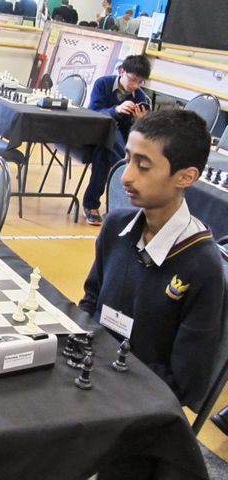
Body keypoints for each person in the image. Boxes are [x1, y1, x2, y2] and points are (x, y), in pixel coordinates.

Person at [79, 110, 225, 408]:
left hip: (140, 404)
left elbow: (186, 383)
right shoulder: (116, 225)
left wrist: (111, 370)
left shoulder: (202, 266)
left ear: (186, 177)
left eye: (143, 166)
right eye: (129, 158)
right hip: (91, 376)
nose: (127, 176)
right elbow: (91, 302)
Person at [82, 54, 151, 226]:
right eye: (133, 79)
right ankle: (127, 166)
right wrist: (116, 110)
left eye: (140, 82)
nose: (135, 85)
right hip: (93, 134)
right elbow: (93, 113)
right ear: (121, 71)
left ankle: (92, 204)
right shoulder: (103, 84)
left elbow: (139, 134)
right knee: (109, 133)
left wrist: (140, 121)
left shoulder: (140, 97)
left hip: (116, 143)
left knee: (104, 151)